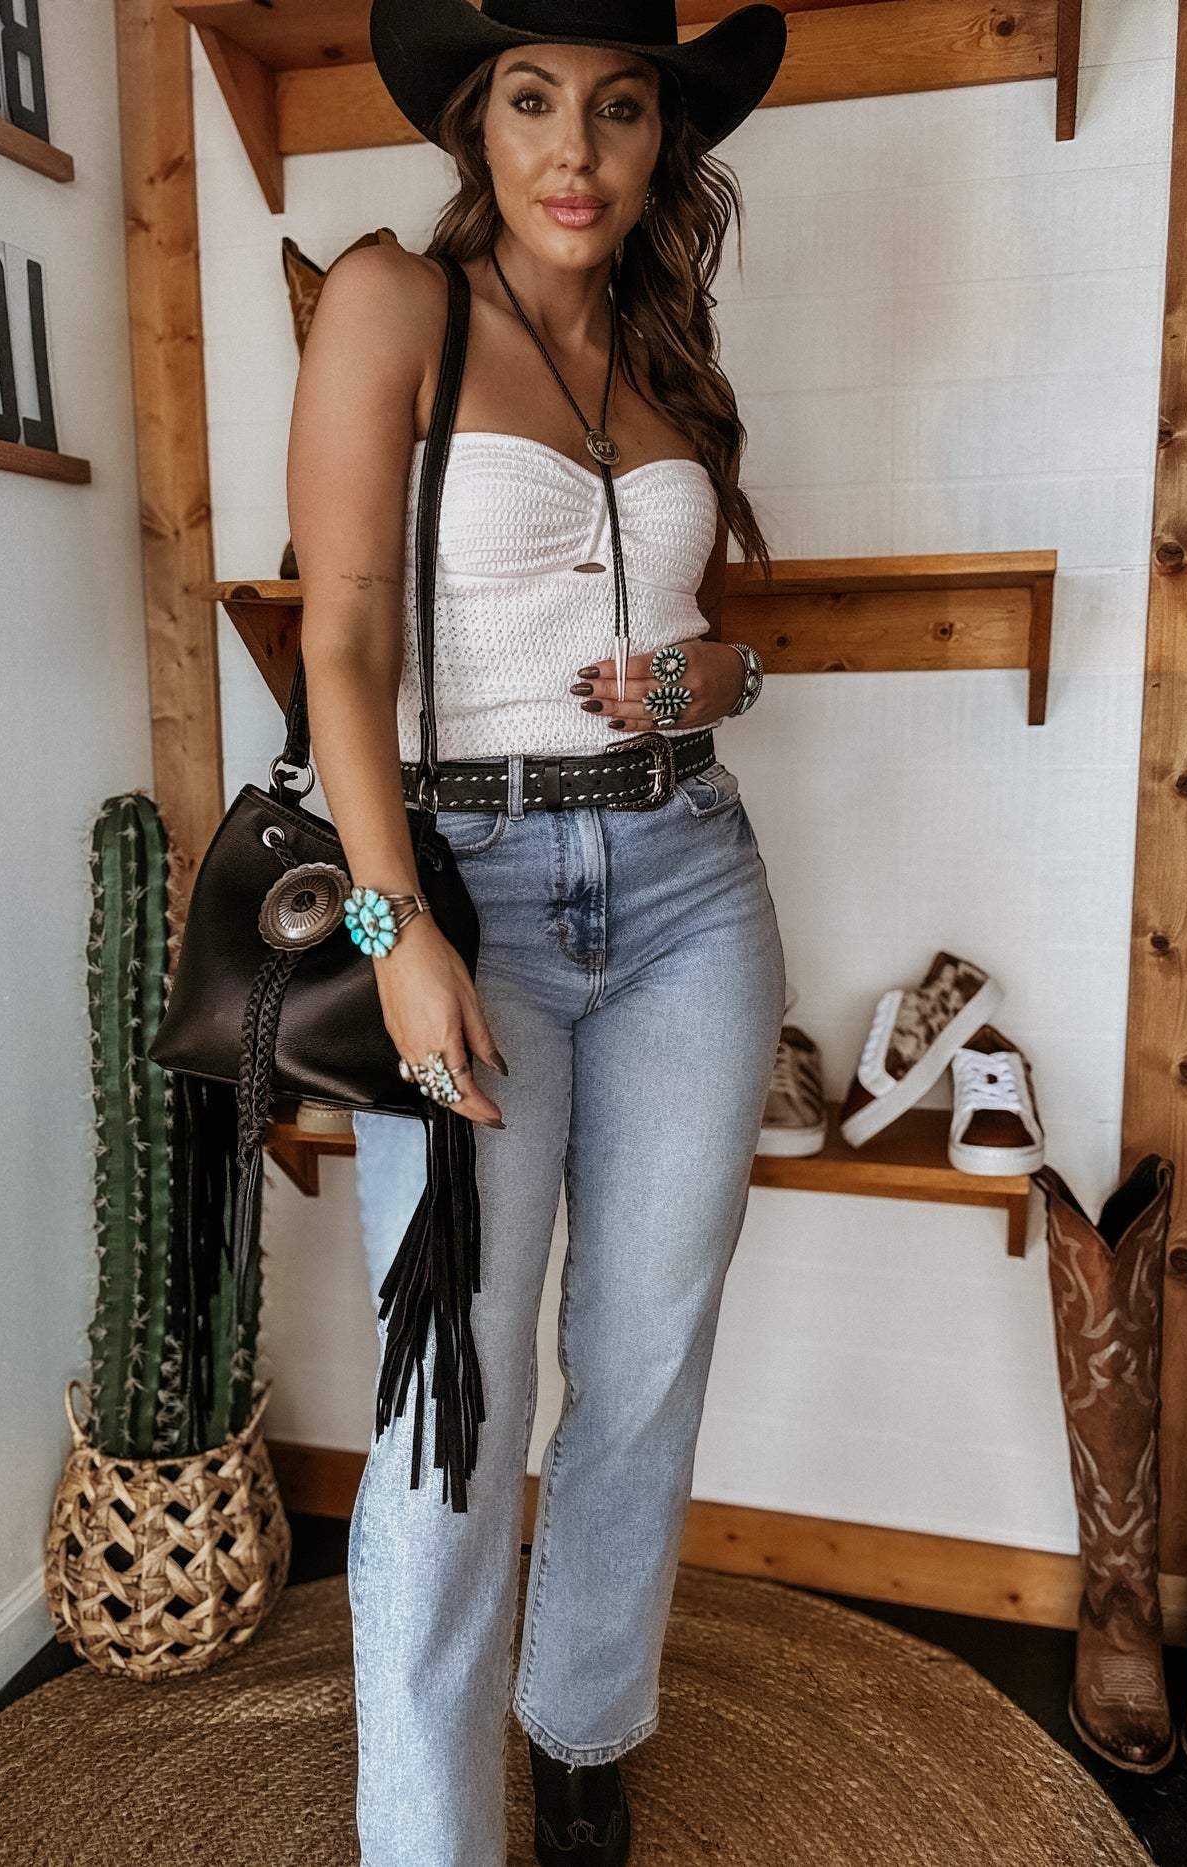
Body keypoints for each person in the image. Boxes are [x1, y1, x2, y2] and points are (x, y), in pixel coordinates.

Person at [284, 5, 788, 1861]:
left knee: (645, 1363)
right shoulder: (391, 304)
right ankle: (433, 1836)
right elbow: (342, 641)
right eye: (533, 100)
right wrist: (393, 923)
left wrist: (726, 672)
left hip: (690, 888)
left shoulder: (666, 355)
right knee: (455, 1393)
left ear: (663, 143)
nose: (574, 148)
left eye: (620, 107)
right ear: (474, 125)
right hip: (468, 899)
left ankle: (581, 1719)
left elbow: (710, 633)